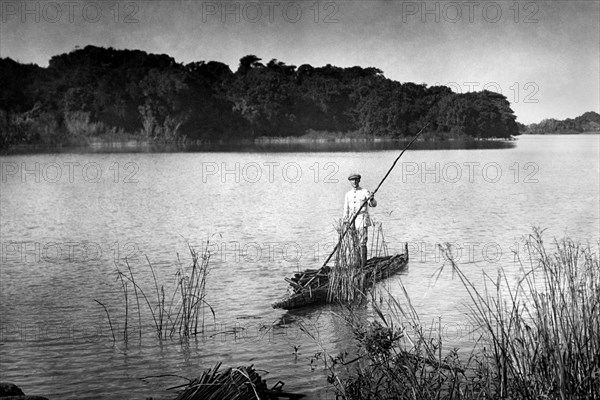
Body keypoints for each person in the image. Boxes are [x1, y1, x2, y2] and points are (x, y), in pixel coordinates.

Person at [343, 173, 377, 267]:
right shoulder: (348, 194)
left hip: (362, 219)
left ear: (359, 180)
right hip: (351, 221)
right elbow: (346, 210)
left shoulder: (364, 191)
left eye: (356, 180)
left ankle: (363, 265)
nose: (354, 182)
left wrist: (372, 198)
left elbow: (373, 204)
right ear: (350, 182)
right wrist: (346, 222)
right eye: (352, 180)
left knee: (362, 242)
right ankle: (356, 264)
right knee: (354, 242)